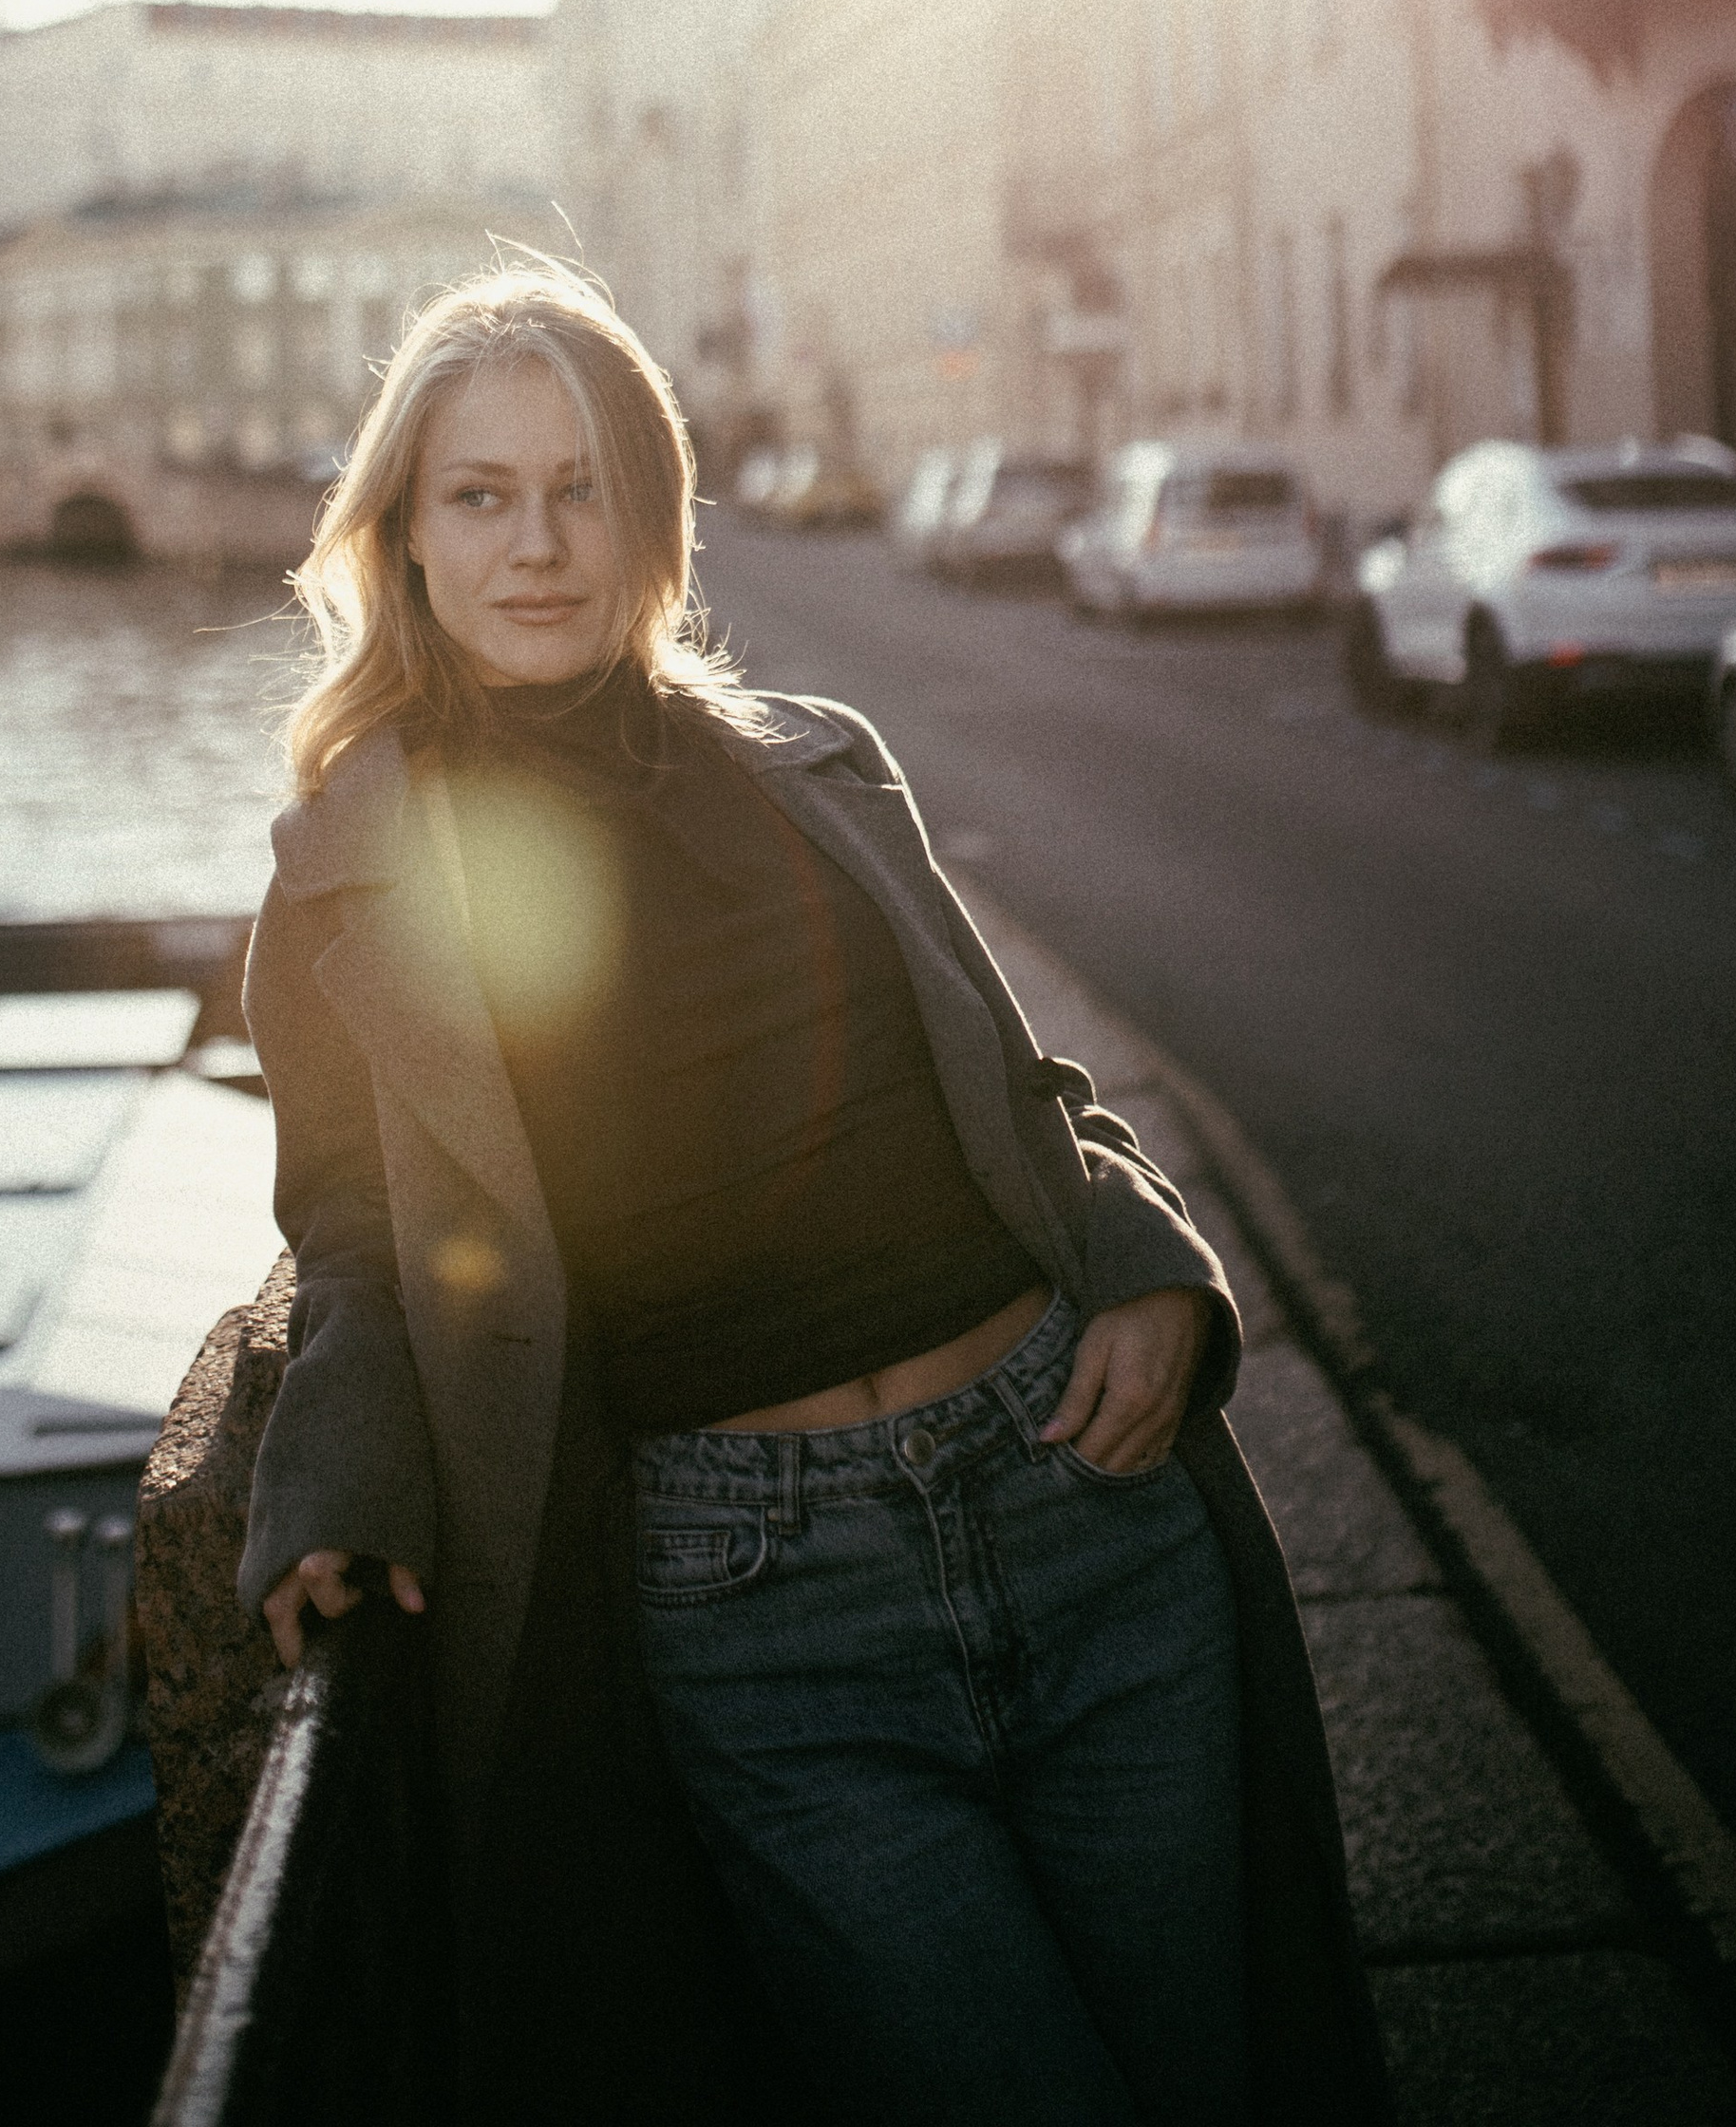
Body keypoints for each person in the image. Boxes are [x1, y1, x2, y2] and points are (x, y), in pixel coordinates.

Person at [236, 262, 1385, 2125]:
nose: (539, 542)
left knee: (1214, 2075)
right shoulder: (342, 875)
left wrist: (1149, 1269)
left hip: (1078, 1492)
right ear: (404, 538)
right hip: (753, 1598)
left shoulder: (817, 771)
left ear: (654, 513)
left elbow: (1022, 1103)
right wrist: (338, 1483)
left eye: (582, 484)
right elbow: (356, 1228)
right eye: (480, 494)